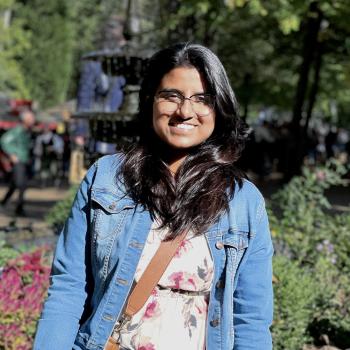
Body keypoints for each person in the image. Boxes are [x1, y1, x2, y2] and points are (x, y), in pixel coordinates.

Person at [34, 43, 274, 350]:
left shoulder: (243, 201)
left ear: (220, 108)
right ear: (150, 100)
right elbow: (68, 288)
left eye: (202, 99)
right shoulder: (107, 178)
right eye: (171, 96)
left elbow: (250, 318)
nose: (185, 111)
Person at [0, 109, 35, 215]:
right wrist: (12, 154)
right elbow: (4, 140)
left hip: (25, 161)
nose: (33, 120)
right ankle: (16, 207)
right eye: (31, 118)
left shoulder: (27, 131)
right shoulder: (17, 130)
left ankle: (10, 204)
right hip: (18, 162)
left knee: (18, 184)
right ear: (25, 120)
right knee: (20, 183)